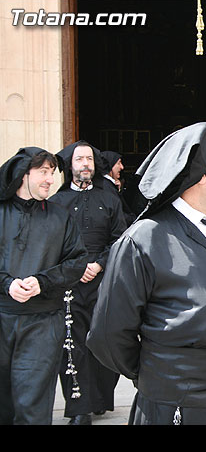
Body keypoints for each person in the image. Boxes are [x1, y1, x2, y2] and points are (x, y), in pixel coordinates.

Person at [87, 122, 206, 425]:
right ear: (200, 173)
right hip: (179, 407)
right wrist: (168, 374)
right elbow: (108, 338)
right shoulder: (144, 240)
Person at [0, 147, 88, 425]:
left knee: (32, 404)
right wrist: (6, 284)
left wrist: (42, 282)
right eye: (43, 172)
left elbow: (77, 262)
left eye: (52, 173)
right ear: (23, 175)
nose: (50, 179)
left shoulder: (61, 216)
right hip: (1, 318)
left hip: (44, 321)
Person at [49, 141, 128, 425]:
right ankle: (79, 407)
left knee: (104, 341)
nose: (85, 164)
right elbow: (51, 246)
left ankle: (101, 399)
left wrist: (99, 264)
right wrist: (76, 268)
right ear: (70, 165)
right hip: (69, 283)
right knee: (73, 346)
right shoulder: (56, 203)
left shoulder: (109, 200)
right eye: (80, 159)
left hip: (103, 280)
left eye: (90, 159)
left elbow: (120, 238)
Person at [100, 150, 137, 225]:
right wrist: (133, 220)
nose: (122, 167)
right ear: (110, 165)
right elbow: (116, 214)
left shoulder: (107, 185)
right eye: (118, 163)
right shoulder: (106, 187)